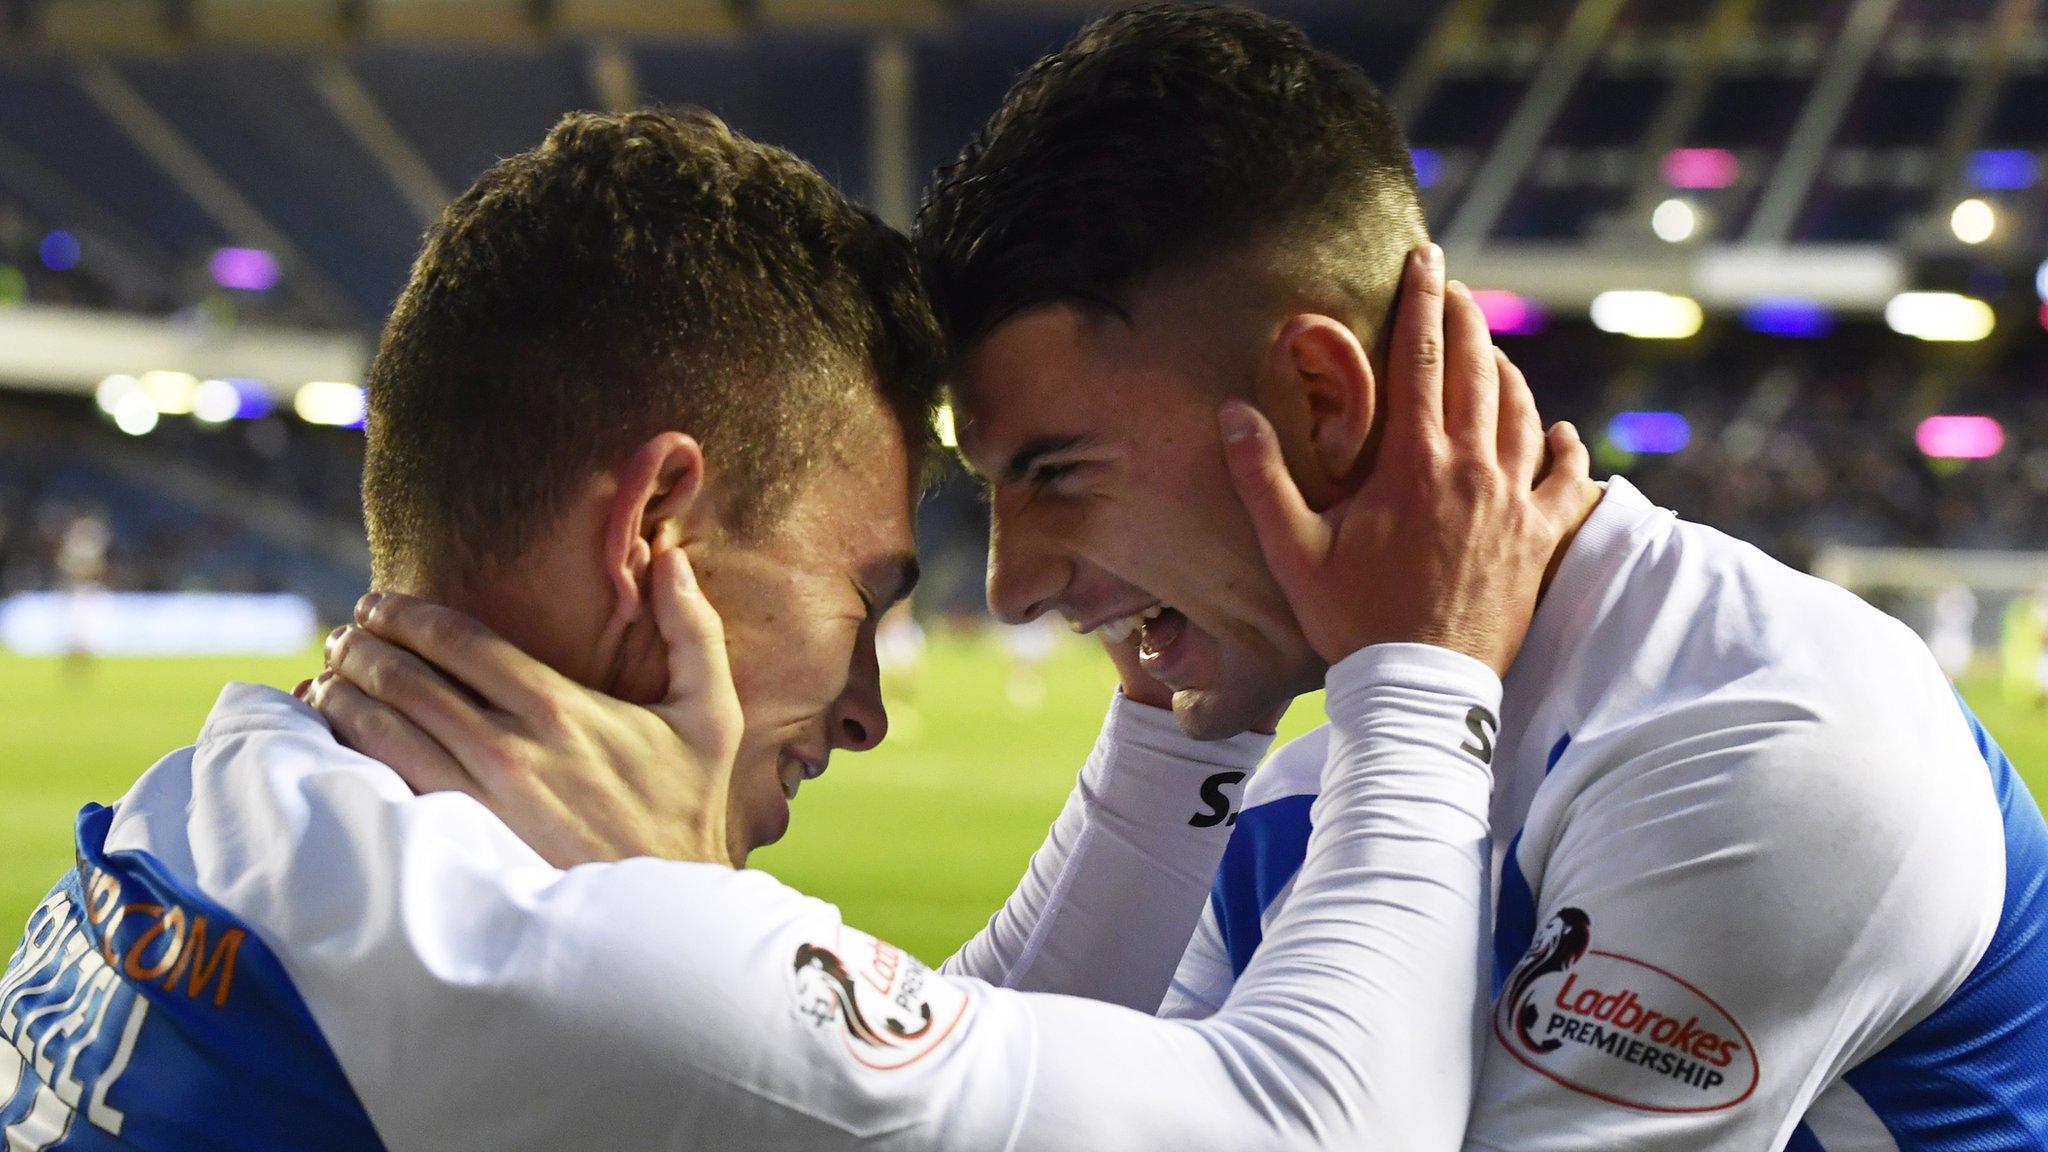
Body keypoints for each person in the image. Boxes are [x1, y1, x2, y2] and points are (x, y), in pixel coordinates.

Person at [0, 107, 1591, 1151]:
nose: (870, 708)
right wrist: (1424, 668)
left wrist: (1206, 715)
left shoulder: (222, 795)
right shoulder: (565, 979)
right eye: (865, 599)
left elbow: (930, 1063)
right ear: (653, 535)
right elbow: (1322, 1133)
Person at [911, 6, 2048, 1148]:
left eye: (1054, 471)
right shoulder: (1316, 789)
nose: (1013, 586)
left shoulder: (1766, 745)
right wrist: (1175, 751)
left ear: (1319, 398)